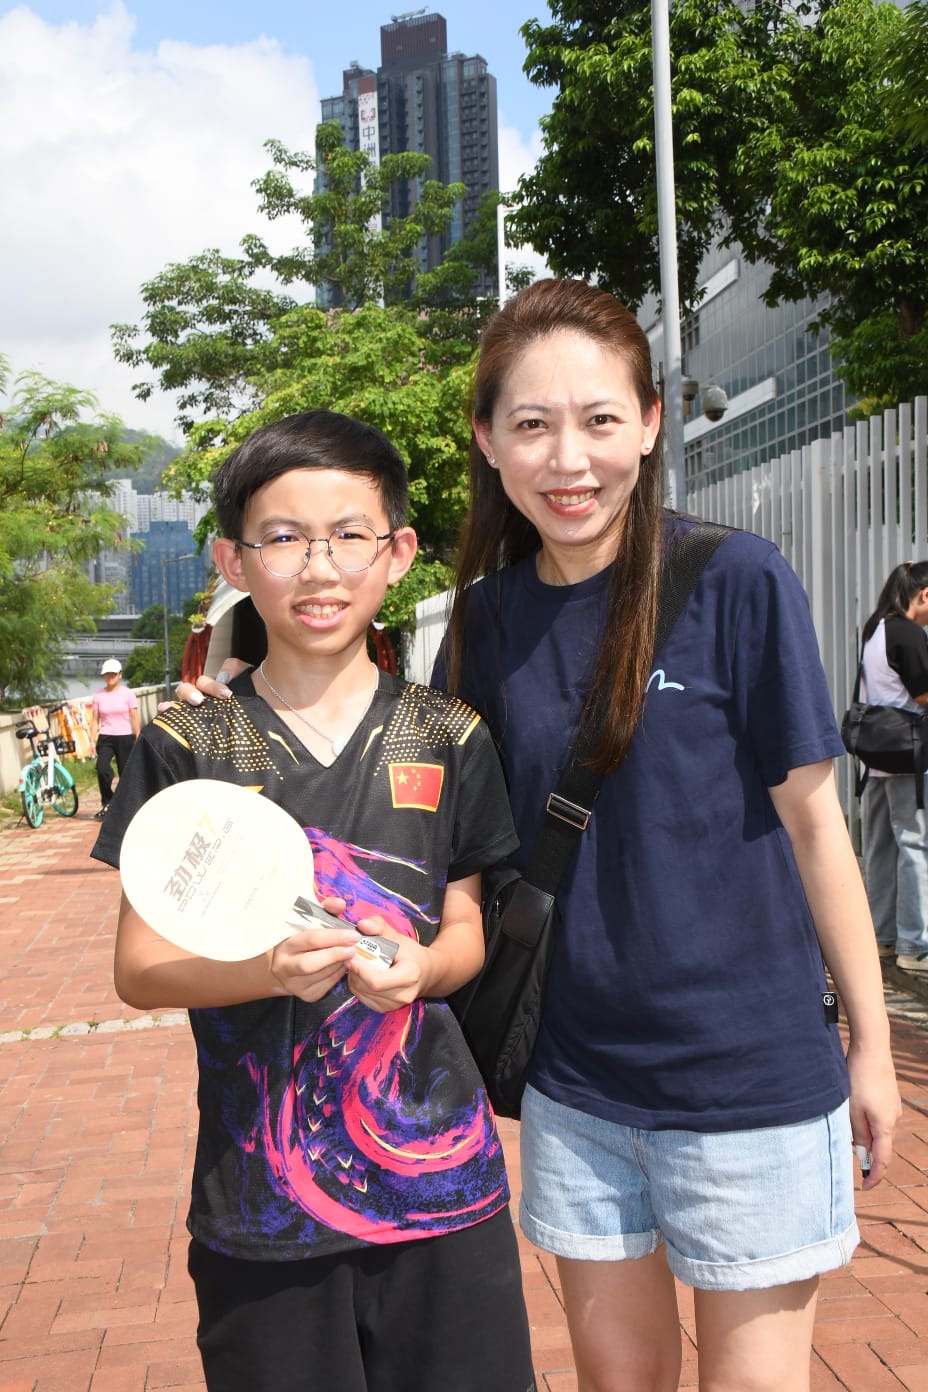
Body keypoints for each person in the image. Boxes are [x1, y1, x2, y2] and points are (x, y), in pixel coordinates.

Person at [184, 281, 901, 1392]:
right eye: (531, 425)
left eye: (600, 420)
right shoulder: (483, 618)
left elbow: (816, 829)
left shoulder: (734, 580)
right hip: (576, 1088)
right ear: (487, 441)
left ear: (652, 422)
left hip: (748, 1077)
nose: (569, 459)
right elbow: (447, 849)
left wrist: (872, 1043)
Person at [91, 410, 536, 1392]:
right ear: (234, 559)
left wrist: (423, 968)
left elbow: (464, 924)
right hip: (261, 1209)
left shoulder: (447, 733)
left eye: (349, 535)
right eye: (284, 538)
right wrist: (262, 970)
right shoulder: (190, 748)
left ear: (398, 553)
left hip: (442, 1194)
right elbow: (137, 969)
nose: (319, 567)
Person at [858, 561, 928, 972]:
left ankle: (882, 938)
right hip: (906, 753)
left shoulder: (875, 627)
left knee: (881, 848)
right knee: (915, 845)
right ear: (924, 595)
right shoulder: (907, 632)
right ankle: (915, 942)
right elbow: (921, 694)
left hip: (876, 755)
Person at [90, 658, 140, 819]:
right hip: (106, 736)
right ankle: (107, 802)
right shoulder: (98, 695)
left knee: (125, 773)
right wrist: (91, 740)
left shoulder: (128, 694)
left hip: (125, 736)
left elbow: (134, 717)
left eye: (113, 673)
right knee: (102, 768)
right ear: (104, 676)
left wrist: (138, 736)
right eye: (107, 674)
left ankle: (125, 806)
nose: (110, 676)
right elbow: (94, 719)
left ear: (119, 675)